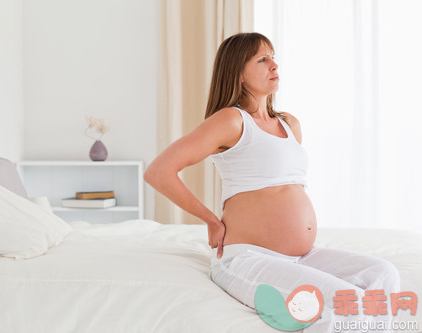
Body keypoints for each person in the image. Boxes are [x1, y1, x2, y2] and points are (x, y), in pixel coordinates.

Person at [144, 32, 400, 332]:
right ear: (238, 72)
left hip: (302, 256)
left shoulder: (289, 123)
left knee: (383, 274)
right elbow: (159, 172)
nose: (274, 65)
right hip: (248, 260)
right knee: (347, 303)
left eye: (273, 57)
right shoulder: (231, 120)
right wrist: (211, 221)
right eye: (262, 60)